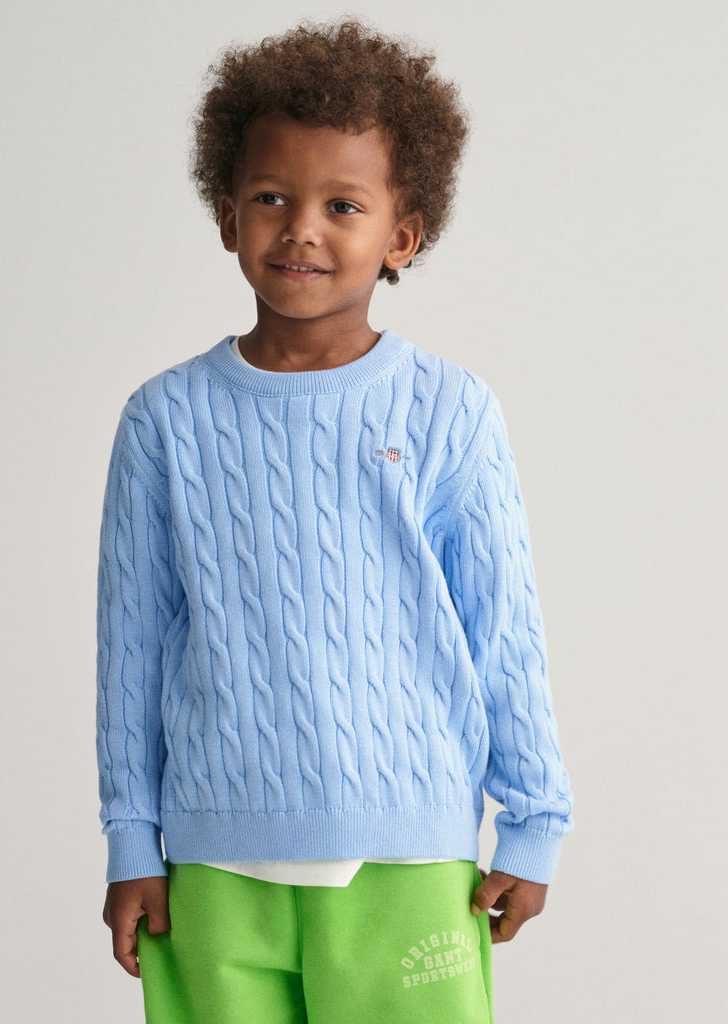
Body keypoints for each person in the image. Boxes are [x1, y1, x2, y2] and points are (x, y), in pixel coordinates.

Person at [96, 20, 573, 1024]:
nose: (300, 229)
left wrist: (534, 822)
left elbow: (502, 625)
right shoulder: (165, 420)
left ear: (402, 236)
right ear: (227, 215)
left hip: (411, 858)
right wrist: (132, 840)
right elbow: (130, 645)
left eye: (342, 205)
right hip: (212, 862)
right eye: (271, 197)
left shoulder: (449, 410)